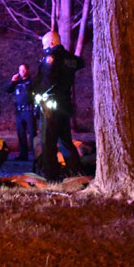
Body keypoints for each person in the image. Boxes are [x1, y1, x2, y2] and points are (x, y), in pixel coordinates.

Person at [33, 31, 84, 181]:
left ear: (52, 43)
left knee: (48, 143)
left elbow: (46, 81)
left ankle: (52, 177)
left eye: (44, 45)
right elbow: (80, 63)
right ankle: (75, 173)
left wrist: (36, 93)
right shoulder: (71, 58)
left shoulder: (51, 58)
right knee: (65, 141)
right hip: (64, 105)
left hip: (50, 106)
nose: (44, 48)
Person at [6, 64, 36, 161]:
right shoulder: (17, 82)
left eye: (23, 70)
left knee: (32, 134)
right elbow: (8, 90)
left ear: (28, 70)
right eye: (20, 70)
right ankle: (23, 155)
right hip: (19, 111)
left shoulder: (32, 82)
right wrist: (12, 81)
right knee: (21, 134)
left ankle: (36, 155)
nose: (22, 72)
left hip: (29, 111)